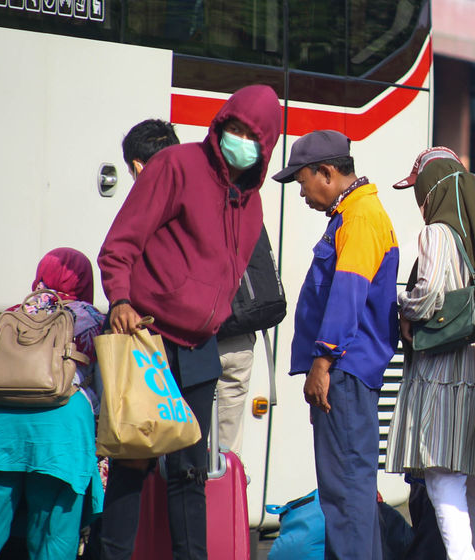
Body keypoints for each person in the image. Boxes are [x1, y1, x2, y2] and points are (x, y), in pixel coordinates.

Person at [97, 84, 282, 560]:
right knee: (132, 464)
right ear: (220, 124)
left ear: (266, 146)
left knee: (190, 472)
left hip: (201, 349)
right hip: (149, 339)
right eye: (234, 128)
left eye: (252, 136)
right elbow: (119, 245)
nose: (240, 140)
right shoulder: (175, 166)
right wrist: (120, 299)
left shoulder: (253, 202)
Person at [272, 129, 399, 560]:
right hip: (347, 372)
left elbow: (347, 295)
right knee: (352, 490)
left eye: (302, 180)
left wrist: (322, 363)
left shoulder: (360, 217)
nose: (301, 192)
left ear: (326, 172)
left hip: (342, 371)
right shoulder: (355, 213)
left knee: (345, 493)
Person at [385, 150, 475, 560]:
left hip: (445, 368)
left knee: (442, 475)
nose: (419, 201)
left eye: (419, 190)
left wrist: (402, 304)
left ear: (432, 189)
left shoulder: (437, 233)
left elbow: (428, 296)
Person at [0, 248, 105, 560]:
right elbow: (106, 389)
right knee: (52, 536)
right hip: (60, 433)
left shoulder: (10, 317)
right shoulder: (93, 320)